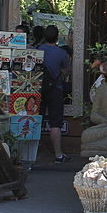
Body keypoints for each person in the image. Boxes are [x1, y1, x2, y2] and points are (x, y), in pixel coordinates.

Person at [39, 24, 71, 163]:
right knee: (55, 123)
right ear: (57, 37)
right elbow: (66, 71)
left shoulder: (37, 50)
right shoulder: (62, 53)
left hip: (38, 89)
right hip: (55, 90)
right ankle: (58, 155)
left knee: (34, 121)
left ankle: (30, 154)